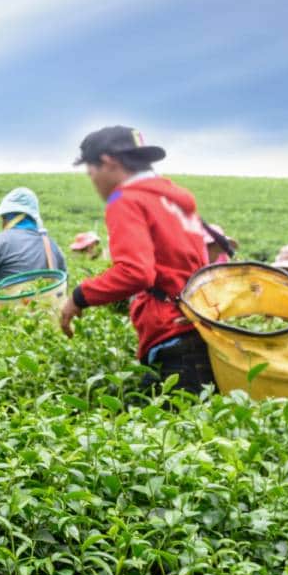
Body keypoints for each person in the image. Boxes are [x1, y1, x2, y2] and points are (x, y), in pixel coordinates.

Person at [58, 126, 216, 393]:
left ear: (108, 162)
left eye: (91, 171)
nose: (93, 180)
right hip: (200, 325)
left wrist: (78, 297)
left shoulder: (126, 200)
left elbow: (136, 272)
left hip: (170, 335)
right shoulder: (175, 197)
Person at [0, 187, 66, 291]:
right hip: (47, 306)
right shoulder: (51, 244)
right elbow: (63, 281)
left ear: (7, 217)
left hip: (8, 307)